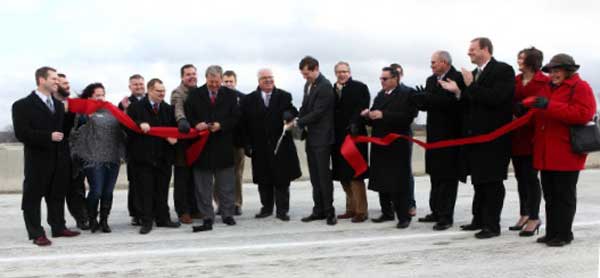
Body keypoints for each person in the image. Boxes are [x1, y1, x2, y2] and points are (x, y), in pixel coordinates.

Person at [439, 37, 515, 239]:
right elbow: (470, 104)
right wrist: (458, 93)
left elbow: (497, 99)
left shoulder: (504, 71)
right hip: (475, 139)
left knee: (492, 182)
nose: (469, 53)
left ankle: (492, 225)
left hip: (494, 140)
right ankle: (478, 220)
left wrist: (471, 86)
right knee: (479, 181)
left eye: (473, 49)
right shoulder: (473, 74)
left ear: (486, 49)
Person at [525, 54, 596, 247]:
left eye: (557, 71)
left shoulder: (581, 87)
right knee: (550, 195)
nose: (553, 74)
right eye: (551, 71)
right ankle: (552, 232)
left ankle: (564, 234)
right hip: (547, 151)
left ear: (568, 71)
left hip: (566, 151)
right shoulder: (547, 88)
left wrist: (549, 105)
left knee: (564, 196)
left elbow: (583, 114)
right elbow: (542, 115)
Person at [12, 66, 80, 246]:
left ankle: (58, 227)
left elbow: (64, 132)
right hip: (37, 161)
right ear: (42, 80)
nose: (57, 82)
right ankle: (36, 233)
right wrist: (47, 136)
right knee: (33, 198)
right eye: (54, 79)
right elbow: (22, 133)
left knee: (56, 196)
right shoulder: (22, 105)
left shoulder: (58, 105)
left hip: (59, 160)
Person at [240, 68, 302, 221]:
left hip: (281, 146)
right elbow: (243, 124)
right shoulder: (248, 100)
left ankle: (282, 210)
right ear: (258, 81)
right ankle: (266, 208)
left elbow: (293, 111)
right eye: (264, 78)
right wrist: (246, 144)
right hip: (259, 146)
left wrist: (289, 114)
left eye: (270, 77)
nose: (268, 80)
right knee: (263, 179)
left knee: (282, 180)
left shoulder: (284, 96)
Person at [412, 51, 464, 230]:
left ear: (444, 62)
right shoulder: (430, 80)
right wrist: (420, 101)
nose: (431, 65)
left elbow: (451, 103)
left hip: (450, 136)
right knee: (435, 175)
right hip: (433, 135)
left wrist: (430, 99)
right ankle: (435, 210)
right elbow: (429, 104)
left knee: (448, 178)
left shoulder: (456, 78)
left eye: (434, 62)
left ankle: (446, 216)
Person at [185, 65, 240, 232]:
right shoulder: (194, 95)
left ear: (221, 79)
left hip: (223, 145)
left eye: (217, 82)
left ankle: (227, 214)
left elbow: (236, 117)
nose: (214, 85)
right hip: (202, 146)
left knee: (226, 184)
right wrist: (197, 124)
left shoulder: (231, 95)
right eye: (211, 82)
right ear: (206, 79)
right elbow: (188, 115)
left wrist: (221, 125)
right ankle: (207, 216)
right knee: (203, 186)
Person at [363, 66, 418, 229]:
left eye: (385, 79)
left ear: (396, 78)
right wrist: (368, 116)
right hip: (380, 142)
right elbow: (374, 117)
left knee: (400, 180)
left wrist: (384, 115)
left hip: (398, 143)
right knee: (381, 177)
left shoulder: (407, 93)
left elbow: (408, 117)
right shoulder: (380, 95)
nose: (382, 81)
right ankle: (386, 211)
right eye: (380, 78)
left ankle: (404, 215)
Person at [126, 78, 181, 234]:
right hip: (144, 158)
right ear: (149, 91)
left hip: (163, 157)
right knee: (146, 191)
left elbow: (173, 128)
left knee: (162, 190)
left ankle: (163, 219)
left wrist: (173, 138)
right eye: (158, 91)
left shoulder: (168, 109)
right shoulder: (136, 107)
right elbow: (128, 127)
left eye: (163, 91)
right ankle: (147, 221)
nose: (162, 94)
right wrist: (139, 124)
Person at [70, 83, 125, 233]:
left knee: (108, 192)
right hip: (93, 158)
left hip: (112, 158)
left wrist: (122, 154)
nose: (101, 98)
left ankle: (104, 221)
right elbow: (76, 134)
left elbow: (121, 133)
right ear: (90, 97)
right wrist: (85, 118)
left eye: (102, 94)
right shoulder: (84, 113)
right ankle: (92, 219)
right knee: (97, 191)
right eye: (97, 95)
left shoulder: (112, 111)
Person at [509, 47, 548, 236]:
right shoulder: (515, 80)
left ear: (532, 61)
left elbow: (544, 105)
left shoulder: (544, 81)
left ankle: (534, 216)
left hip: (533, 135)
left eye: (522, 58)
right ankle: (524, 213)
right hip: (516, 135)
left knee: (531, 177)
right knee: (520, 177)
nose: (519, 61)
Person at [293, 56, 337, 225]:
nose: (305, 77)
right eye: (303, 74)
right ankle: (318, 210)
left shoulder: (325, 86)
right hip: (311, 138)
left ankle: (329, 212)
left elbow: (318, 112)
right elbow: (305, 107)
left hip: (323, 139)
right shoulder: (308, 85)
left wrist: (298, 122)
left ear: (316, 68)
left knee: (324, 176)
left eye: (307, 74)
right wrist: (297, 116)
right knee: (315, 177)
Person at [331, 61, 371, 223]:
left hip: (354, 137)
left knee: (355, 175)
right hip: (337, 138)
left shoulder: (360, 87)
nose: (342, 74)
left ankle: (361, 211)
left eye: (345, 71)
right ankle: (351, 208)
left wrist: (355, 122)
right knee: (342, 175)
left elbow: (362, 107)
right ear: (336, 74)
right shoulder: (331, 90)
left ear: (350, 72)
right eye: (339, 72)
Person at [54, 73, 89, 230]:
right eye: (63, 83)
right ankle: (57, 223)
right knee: (57, 190)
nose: (67, 85)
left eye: (68, 83)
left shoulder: (75, 105)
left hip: (75, 153)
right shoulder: (50, 105)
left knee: (77, 187)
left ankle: (82, 218)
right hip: (56, 154)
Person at [170, 64, 200, 224]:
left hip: (197, 141)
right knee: (182, 178)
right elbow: (178, 108)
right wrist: (181, 120)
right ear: (182, 77)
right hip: (182, 142)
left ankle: (195, 209)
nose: (192, 76)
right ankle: (183, 211)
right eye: (188, 74)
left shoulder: (200, 91)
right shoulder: (178, 92)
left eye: (194, 73)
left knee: (195, 177)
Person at [390, 63, 417, 217]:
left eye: (398, 73)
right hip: (388, 136)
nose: (396, 76)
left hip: (404, 135)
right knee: (392, 171)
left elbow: (411, 113)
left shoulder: (408, 92)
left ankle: (410, 203)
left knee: (406, 170)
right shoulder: (384, 92)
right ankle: (395, 203)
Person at [217, 70, 245, 216]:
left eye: (231, 81)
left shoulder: (243, 98)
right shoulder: (216, 97)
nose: (228, 84)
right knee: (218, 175)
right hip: (220, 142)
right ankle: (220, 204)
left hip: (237, 142)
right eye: (226, 81)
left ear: (235, 82)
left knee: (237, 175)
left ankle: (236, 203)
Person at [119, 74, 146, 226]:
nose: (139, 87)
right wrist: (126, 110)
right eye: (135, 85)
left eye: (141, 84)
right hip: (134, 148)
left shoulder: (152, 99)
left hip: (151, 148)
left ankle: (149, 210)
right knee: (135, 183)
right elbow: (122, 125)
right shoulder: (124, 103)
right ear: (130, 87)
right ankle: (136, 213)